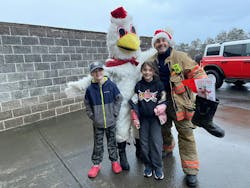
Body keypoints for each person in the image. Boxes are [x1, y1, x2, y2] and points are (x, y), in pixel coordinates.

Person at [149, 28, 219, 187]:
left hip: (181, 104)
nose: (161, 44)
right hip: (161, 103)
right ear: (155, 44)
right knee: (163, 129)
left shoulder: (180, 57)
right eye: (157, 41)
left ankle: (191, 171)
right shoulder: (152, 60)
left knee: (186, 135)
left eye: (163, 40)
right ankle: (167, 148)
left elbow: (197, 73)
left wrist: (206, 93)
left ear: (168, 42)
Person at [84, 61, 123, 178]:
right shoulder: (90, 89)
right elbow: (87, 104)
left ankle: (114, 161)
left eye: (99, 70)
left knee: (112, 142)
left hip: (111, 121)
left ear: (103, 71)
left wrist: (115, 113)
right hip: (98, 123)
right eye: (94, 71)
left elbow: (119, 98)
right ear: (91, 74)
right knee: (98, 145)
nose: (98, 73)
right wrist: (92, 116)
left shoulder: (111, 85)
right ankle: (96, 164)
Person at [129, 61, 167, 180]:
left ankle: (158, 166)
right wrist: (135, 116)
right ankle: (148, 165)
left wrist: (161, 107)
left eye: (150, 70)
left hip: (155, 119)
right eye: (145, 70)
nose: (147, 72)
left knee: (156, 143)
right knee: (144, 144)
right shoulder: (139, 85)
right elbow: (134, 101)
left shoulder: (159, 84)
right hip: (143, 119)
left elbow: (164, 99)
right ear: (142, 71)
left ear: (153, 71)